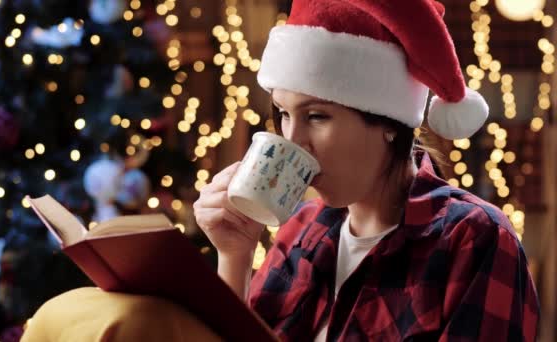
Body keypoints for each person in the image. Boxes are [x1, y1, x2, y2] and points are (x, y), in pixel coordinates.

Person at [193, 0, 540, 340]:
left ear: (390, 122)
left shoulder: (475, 239)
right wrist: (234, 255)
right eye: (284, 114)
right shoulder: (301, 230)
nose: (293, 140)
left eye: (317, 116)